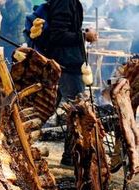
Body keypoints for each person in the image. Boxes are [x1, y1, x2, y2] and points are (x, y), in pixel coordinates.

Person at [45, 0, 97, 164]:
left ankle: (17, 141)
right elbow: (57, 34)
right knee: (79, 110)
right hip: (66, 65)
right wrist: (83, 36)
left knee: (48, 106)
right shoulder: (65, 1)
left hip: (65, 62)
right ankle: (70, 157)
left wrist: (81, 33)